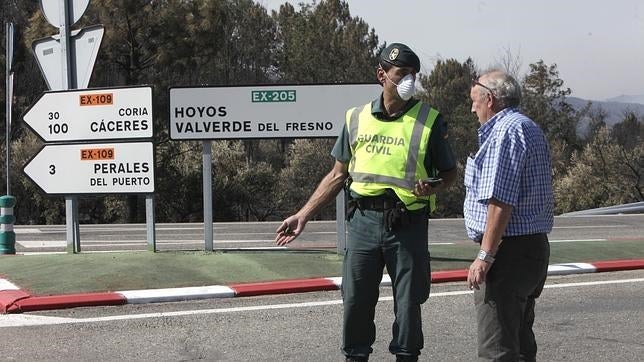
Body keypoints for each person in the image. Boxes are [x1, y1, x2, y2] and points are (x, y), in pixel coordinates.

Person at [275, 43, 457, 361]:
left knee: (409, 304)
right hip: (362, 223)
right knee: (356, 302)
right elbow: (337, 175)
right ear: (381, 75)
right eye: (402, 74)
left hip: (407, 225)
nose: (409, 81)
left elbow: (450, 174)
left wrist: (434, 186)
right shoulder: (356, 118)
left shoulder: (430, 120)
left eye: (413, 75)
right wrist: (303, 214)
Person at [464, 70, 554, 361]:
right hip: (533, 249)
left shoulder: (505, 132)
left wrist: (485, 256)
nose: (472, 107)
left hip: (508, 254)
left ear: (489, 99)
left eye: (474, 100)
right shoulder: (529, 127)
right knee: (522, 343)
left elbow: (501, 202)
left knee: (498, 349)